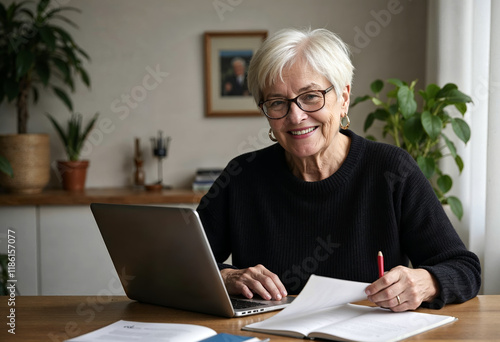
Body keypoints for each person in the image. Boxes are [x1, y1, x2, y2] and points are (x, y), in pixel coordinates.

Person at [197, 28, 481, 312]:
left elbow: (464, 269)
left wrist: (424, 282)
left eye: (310, 96)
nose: (295, 117)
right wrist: (227, 275)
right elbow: (180, 263)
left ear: (343, 98)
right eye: (277, 102)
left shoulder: (391, 170)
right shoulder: (242, 176)